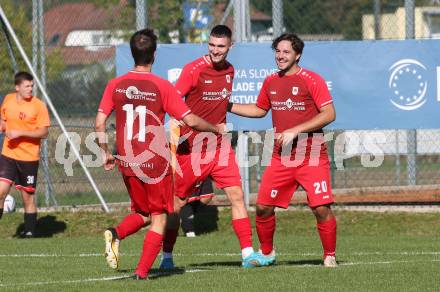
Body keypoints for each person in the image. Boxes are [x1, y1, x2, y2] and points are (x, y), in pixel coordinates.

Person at [95, 28, 226, 280]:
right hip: (154, 161)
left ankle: (116, 233)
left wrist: (105, 153)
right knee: (159, 217)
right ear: (154, 54)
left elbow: (99, 123)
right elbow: (191, 120)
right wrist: (214, 128)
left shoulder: (115, 84)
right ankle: (142, 273)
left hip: (127, 159)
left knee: (143, 213)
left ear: (133, 53)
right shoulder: (162, 86)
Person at [160, 24, 266, 269]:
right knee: (177, 204)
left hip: (219, 147)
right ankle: (166, 256)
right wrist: (177, 138)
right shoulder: (193, 70)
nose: (216, 51)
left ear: (231, 46)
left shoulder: (230, 70)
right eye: (212, 45)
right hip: (192, 150)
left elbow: (221, 103)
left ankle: (248, 254)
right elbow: (173, 102)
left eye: (221, 46)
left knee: (237, 196)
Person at [229, 33, 338, 267]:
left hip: (312, 155)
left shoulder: (312, 79)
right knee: (263, 207)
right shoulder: (271, 81)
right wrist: (228, 105)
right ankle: (267, 254)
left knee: (321, 208)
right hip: (282, 157)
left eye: (286, 52)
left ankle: (330, 255)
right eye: (277, 51)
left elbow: (329, 114)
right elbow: (259, 110)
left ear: (297, 55)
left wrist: (295, 130)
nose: (280, 56)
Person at [0, 71, 50, 238]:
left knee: (27, 198)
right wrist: (2, 125)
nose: (30, 89)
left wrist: (20, 133)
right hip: (8, 155)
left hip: (28, 158)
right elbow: (3, 120)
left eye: (32, 85)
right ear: (17, 87)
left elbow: (44, 132)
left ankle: (29, 233)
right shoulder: (8, 99)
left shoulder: (38, 105)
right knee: (0, 192)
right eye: (27, 86)